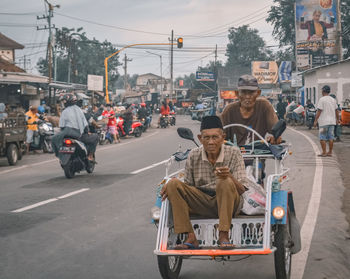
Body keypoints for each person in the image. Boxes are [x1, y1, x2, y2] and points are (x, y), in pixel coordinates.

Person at [160, 116, 248, 249]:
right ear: (200, 138)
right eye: (206, 138)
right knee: (173, 184)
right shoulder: (194, 155)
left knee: (224, 181)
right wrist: (173, 187)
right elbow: (188, 188)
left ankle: (223, 235)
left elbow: (241, 190)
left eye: (215, 137)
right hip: (202, 201)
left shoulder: (234, 153)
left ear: (223, 137)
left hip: (229, 202)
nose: (211, 142)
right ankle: (190, 236)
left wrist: (229, 176)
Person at [220, 75, 280, 146]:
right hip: (234, 152)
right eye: (243, 92)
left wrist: (275, 136)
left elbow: (275, 129)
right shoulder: (229, 110)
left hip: (258, 152)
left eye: (251, 92)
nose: (247, 96)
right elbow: (220, 134)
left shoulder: (264, 106)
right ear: (237, 94)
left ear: (258, 93)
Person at [52, 94, 98, 161]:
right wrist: (87, 132)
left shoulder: (64, 111)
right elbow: (85, 125)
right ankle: (90, 156)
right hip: (79, 135)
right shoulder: (80, 110)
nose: (63, 103)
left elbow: (61, 125)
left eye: (64, 101)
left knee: (54, 139)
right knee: (96, 137)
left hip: (67, 134)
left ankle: (58, 156)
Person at [313, 85, 339, 157]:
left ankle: (324, 152)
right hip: (332, 122)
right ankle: (330, 152)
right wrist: (337, 119)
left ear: (323, 91)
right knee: (331, 137)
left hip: (323, 123)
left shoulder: (322, 99)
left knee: (322, 137)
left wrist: (315, 120)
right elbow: (336, 110)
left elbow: (319, 111)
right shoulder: (333, 100)